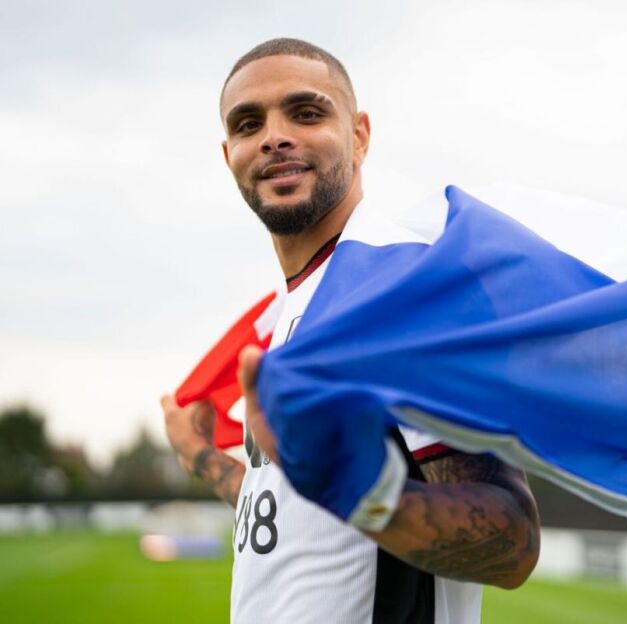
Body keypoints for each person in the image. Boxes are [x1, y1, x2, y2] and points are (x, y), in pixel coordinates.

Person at [160, 38, 540, 623]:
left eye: (306, 113)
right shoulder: (294, 311)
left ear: (359, 136)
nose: (274, 137)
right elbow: (305, 513)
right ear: (229, 153)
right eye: (248, 124)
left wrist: (354, 489)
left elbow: (511, 543)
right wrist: (203, 459)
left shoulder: (400, 293)